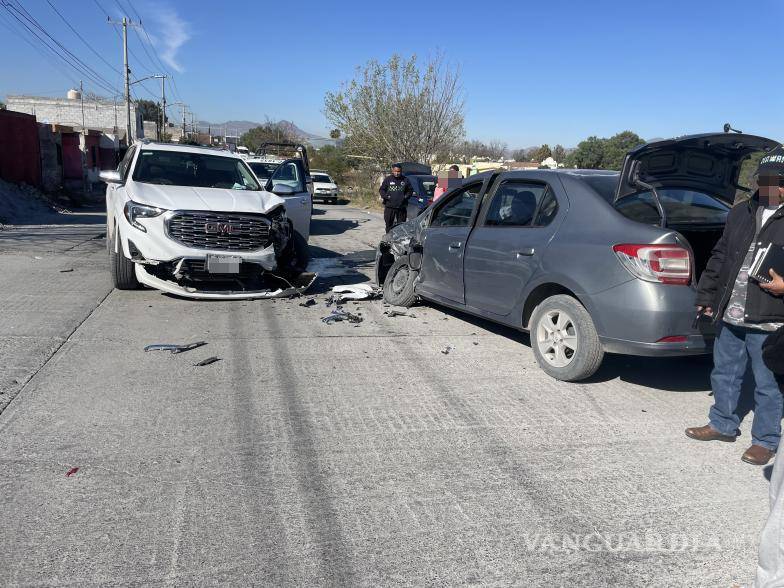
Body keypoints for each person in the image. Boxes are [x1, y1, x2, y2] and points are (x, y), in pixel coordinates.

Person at [686, 145, 784, 466]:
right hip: (732, 311)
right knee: (725, 372)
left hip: (770, 317)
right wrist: (706, 296)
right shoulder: (741, 211)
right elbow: (720, 255)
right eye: (765, 180)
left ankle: (765, 440)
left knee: (768, 382)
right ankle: (722, 424)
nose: (771, 187)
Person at [379, 163, 413, 233]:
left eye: (398, 171)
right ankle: (388, 237)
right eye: (395, 171)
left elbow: (410, 190)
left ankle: (399, 238)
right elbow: (382, 190)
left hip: (401, 207)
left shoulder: (405, 180)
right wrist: (386, 196)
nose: (397, 173)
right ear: (392, 171)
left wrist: (405, 197)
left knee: (401, 226)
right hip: (390, 206)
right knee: (389, 224)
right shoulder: (388, 179)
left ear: (401, 171)